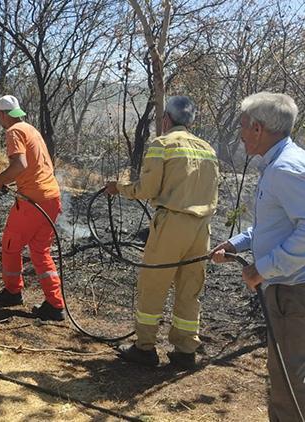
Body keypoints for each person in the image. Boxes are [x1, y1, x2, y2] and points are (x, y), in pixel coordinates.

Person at [211, 92, 305, 422]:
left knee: (290, 385)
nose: (239, 132)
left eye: (242, 125)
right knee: (283, 380)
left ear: (258, 127)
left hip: (296, 291)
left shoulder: (287, 169)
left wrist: (262, 268)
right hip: (294, 289)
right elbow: (276, 226)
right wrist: (237, 244)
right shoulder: (285, 163)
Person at [104, 96, 219, 368]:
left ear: (166, 119)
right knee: (190, 289)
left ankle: (144, 348)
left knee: (153, 285)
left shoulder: (162, 144)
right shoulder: (208, 149)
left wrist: (118, 188)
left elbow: (147, 189)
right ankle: (185, 351)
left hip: (171, 225)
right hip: (202, 228)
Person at [0, 95, 64, 321]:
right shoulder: (30, 129)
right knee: (40, 251)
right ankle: (55, 305)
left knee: (10, 244)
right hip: (51, 198)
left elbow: (20, 165)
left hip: (33, 201)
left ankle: (12, 292)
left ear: (1, 115)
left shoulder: (13, 131)